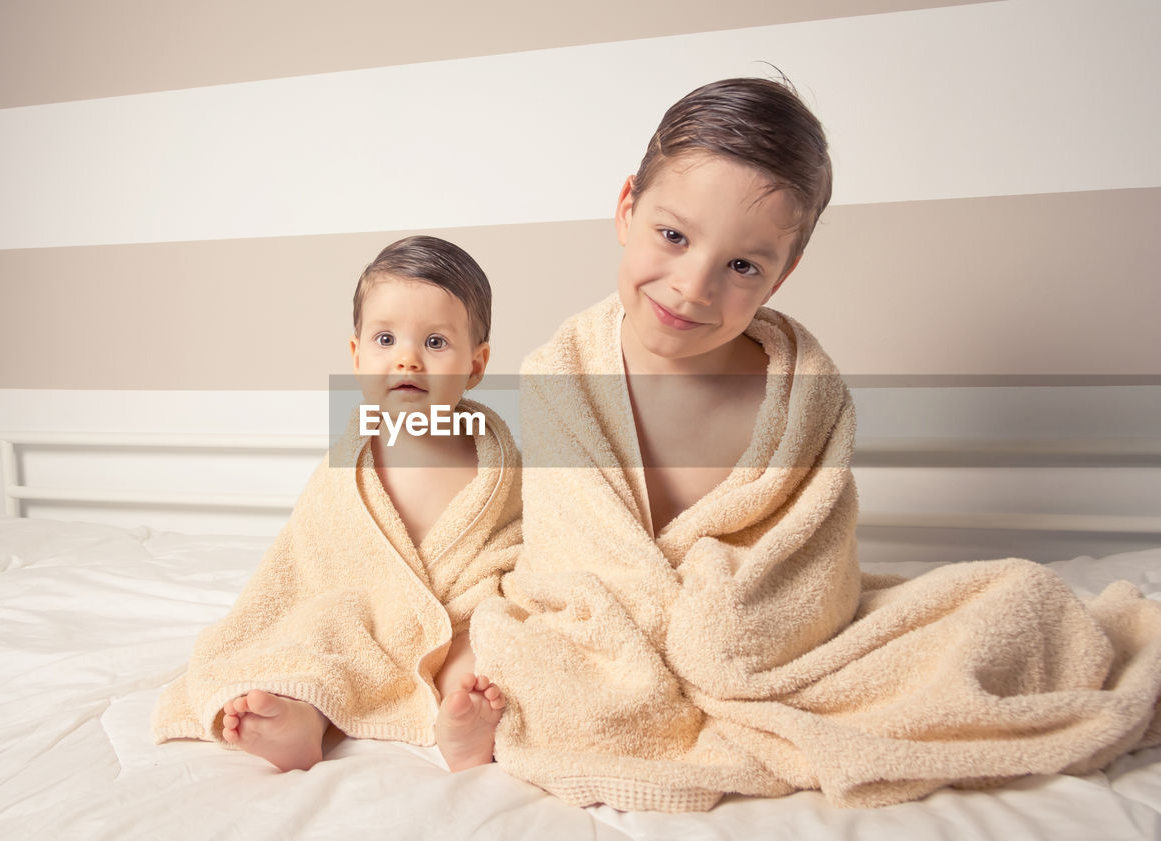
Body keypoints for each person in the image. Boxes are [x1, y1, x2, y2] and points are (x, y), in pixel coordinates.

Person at [469, 78, 1161, 810]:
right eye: (672, 235)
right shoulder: (562, 376)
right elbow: (570, 562)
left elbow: (810, 574)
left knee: (1019, 605)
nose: (692, 286)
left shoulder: (802, 397)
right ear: (627, 208)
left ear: (783, 273)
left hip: (764, 644)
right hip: (607, 642)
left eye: (742, 266)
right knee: (507, 652)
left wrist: (732, 628)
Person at [153, 235, 518, 774]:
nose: (407, 358)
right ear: (356, 355)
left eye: (436, 342)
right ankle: (304, 719)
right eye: (386, 338)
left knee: (490, 637)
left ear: (476, 364)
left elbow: (519, 540)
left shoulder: (497, 463)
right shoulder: (347, 465)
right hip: (365, 606)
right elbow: (308, 559)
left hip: (457, 605)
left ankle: (461, 723)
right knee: (319, 636)